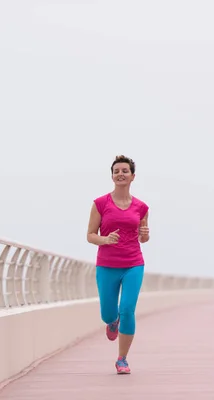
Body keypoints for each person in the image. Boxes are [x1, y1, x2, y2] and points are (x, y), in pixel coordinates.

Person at [86, 155, 150, 374]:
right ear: (112, 176)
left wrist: (145, 234)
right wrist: (105, 240)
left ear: (132, 176)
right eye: (116, 171)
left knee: (128, 310)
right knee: (108, 313)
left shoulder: (142, 207)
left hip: (133, 263)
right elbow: (90, 235)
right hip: (106, 264)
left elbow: (143, 238)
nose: (120, 174)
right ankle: (111, 322)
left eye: (124, 171)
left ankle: (122, 359)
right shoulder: (100, 204)